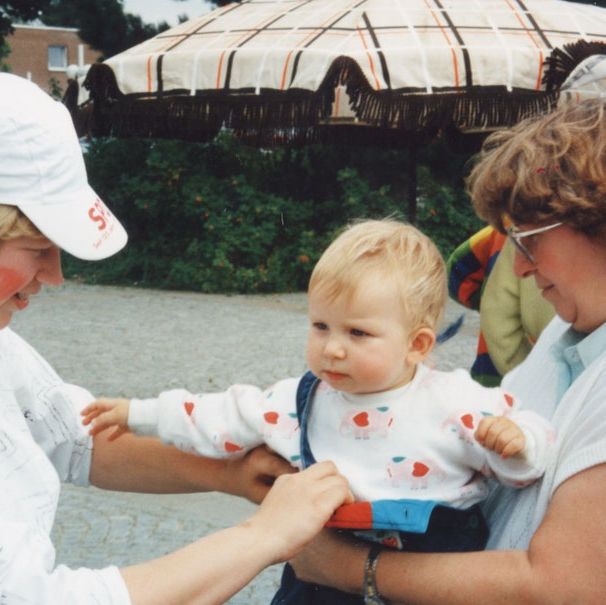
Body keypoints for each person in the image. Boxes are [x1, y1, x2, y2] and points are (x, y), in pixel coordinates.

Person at [0, 69, 353, 605]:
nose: (56, 275)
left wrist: (230, 471)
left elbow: (79, 436)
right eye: (38, 248)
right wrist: (262, 537)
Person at [82, 219, 553, 604]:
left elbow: (524, 444)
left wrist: (520, 445)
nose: (332, 349)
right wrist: (138, 413)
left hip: (428, 578)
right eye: (321, 326)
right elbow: (221, 416)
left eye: (357, 333)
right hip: (321, 584)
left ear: (417, 345)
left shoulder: (455, 402)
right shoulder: (301, 400)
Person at [282, 99, 606, 604]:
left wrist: (348, 567)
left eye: (528, 242)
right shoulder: (566, 335)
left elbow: (562, 587)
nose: (519, 268)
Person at [447, 226, 555, 386]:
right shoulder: (521, 223)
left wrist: (482, 299)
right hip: (542, 378)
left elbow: (457, 269)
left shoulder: (504, 227)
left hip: (495, 372)